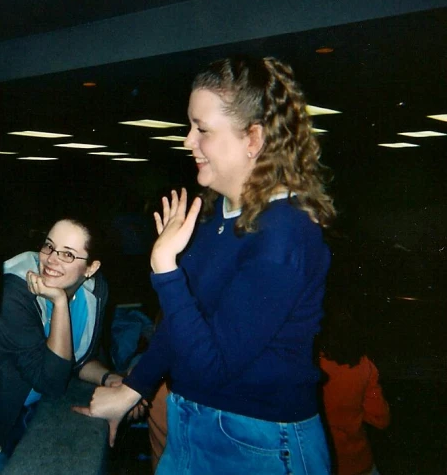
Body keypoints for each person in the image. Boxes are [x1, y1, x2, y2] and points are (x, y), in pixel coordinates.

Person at [74, 55, 337, 475]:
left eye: (202, 129)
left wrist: (165, 268)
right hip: (195, 423)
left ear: (254, 138)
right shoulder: (223, 217)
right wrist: (131, 391)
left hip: (260, 443)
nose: (187, 141)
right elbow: (183, 327)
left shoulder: (284, 232)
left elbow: (212, 366)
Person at [0, 218, 119, 474]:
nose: (52, 260)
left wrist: (109, 377)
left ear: (91, 268)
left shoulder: (94, 291)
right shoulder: (13, 292)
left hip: (28, 413)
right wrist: (59, 303)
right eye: (49, 246)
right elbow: (52, 381)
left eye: (68, 254)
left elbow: (79, 359)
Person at [318, 311, 390, 475]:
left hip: (317, 459)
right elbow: (381, 418)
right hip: (355, 461)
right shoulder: (365, 367)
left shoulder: (311, 365)